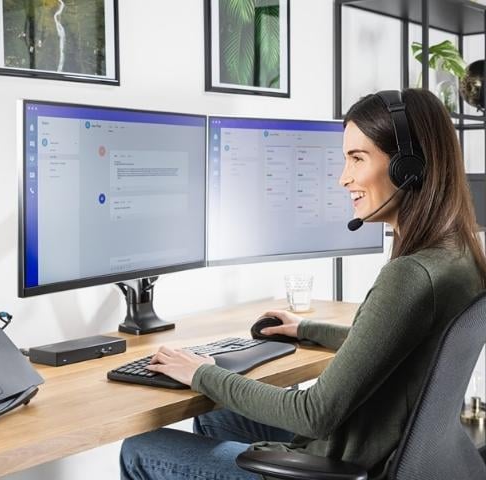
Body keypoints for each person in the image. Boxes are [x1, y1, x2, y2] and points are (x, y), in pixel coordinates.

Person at [120, 89, 486, 480]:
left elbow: (312, 413)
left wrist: (201, 371)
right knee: (218, 418)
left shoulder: (410, 275)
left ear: (407, 168)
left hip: (358, 461)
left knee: (140, 447)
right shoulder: (459, 254)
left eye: (356, 159)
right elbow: (388, 345)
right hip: (393, 450)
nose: (344, 178)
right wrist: (306, 328)